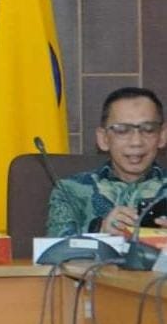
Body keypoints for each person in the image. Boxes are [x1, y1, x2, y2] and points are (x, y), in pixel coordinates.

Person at [47, 87, 167, 236]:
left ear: (162, 135)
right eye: (122, 130)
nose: (136, 142)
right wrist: (100, 231)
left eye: (148, 129)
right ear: (103, 139)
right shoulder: (70, 190)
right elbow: (55, 247)